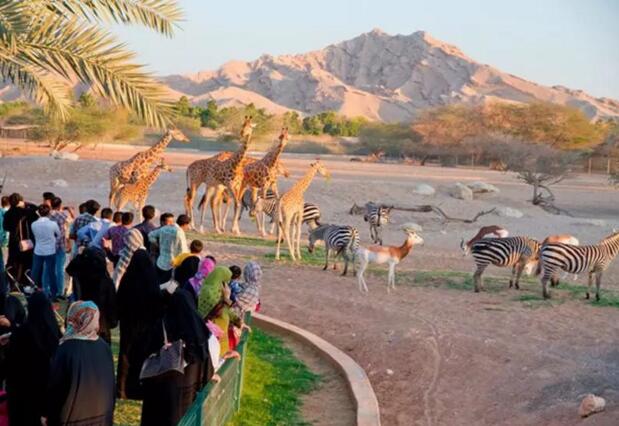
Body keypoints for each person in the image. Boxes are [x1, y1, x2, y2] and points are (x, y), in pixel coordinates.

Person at [140, 285, 213, 426]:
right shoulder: (199, 332)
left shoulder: (162, 325)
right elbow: (206, 365)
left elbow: (147, 353)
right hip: (189, 391)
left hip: (161, 390)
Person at [43, 301, 115, 426]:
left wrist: (47, 414)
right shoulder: (104, 347)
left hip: (72, 417)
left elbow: (55, 389)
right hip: (100, 415)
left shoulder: (65, 348)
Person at [116, 230, 162, 400]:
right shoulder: (151, 280)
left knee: (126, 355)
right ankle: (139, 390)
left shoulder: (128, 279)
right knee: (142, 356)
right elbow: (157, 303)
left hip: (129, 325)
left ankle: (122, 389)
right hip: (146, 327)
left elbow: (119, 301)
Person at [5, 293, 61, 426]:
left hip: (21, 398)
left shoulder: (21, 334)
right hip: (45, 400)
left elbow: (10, 367)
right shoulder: (55, 336)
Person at [66, 247, 118, 344]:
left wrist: (81, 256)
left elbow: (71, 268)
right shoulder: (104, 280)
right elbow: (111, 304)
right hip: (100, 324)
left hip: (82, 319)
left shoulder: (81, 275)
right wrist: (112, 321)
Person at [3, 193, 38, 284]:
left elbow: (5, 227)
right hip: (25, 241)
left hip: (13, 241)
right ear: (20, 201)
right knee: (26, 263)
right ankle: (24, 283)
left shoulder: (8, 213)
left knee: (12, 262)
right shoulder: (26, 212)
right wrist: (26, 204)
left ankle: (12, 283)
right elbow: (36, 208)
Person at [148, 213, 189, 283]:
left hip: (160, 262)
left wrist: (157, 244)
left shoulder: (164, 228)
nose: (188, 228)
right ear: (185, 224)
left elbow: (150, 235)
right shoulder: (179, 232)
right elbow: (184, 251)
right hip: (171, 265)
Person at [31, 204, 60, 297]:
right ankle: (54, 293)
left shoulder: (34, 224)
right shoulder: (53, 224)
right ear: (49, 213)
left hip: (38, 250)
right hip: (50, 250)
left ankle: (33, 289)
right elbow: (58, 235)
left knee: (35, 271)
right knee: (51, 272)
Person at [49, 197, 73, 299]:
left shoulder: (47, 214)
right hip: (60, 245)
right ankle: (60, 291)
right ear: (59, 205)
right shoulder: (63, 215)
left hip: (49, 245)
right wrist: (70, 211)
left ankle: (50, 290)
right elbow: (72, 222)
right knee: (60, 269)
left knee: (49, 268)